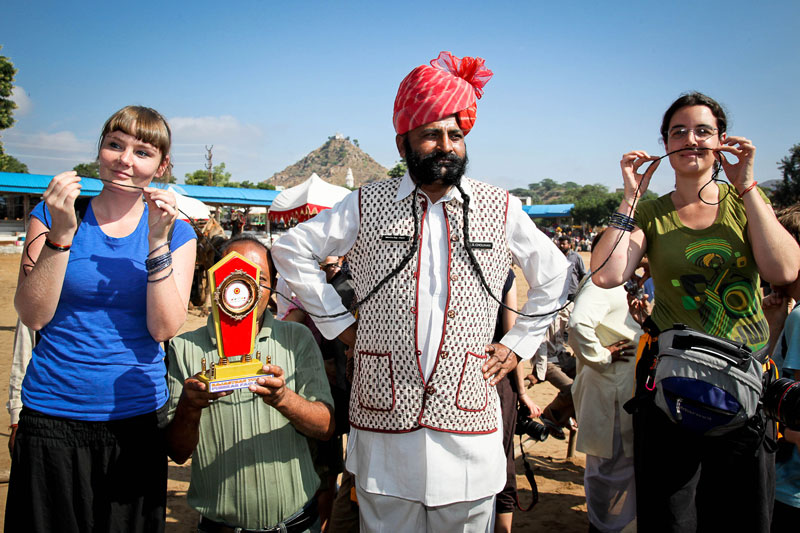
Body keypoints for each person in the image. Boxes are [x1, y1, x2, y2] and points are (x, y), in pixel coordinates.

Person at [272, 51, 569, 532]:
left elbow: (556, 276)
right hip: (384, 426)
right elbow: (290, 251)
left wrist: (517, 346)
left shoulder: (499, 206)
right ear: (403, 142)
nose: (445, 145)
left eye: (456, 135)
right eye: (431, 134)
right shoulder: (366, 203)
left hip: (468, 424)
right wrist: (338, 323)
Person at [591, 92, 800, 531]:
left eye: (703, 131)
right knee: (671, 518)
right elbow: (608, 275)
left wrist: (747, 186)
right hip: (670, 390)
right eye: (678, 131)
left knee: (742, 517)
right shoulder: (650, 212)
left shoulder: (744, 204)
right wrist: (630, 197)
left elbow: (784, 268)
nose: (690, 139)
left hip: (746, 386)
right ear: (664, 144)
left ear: (722, 142)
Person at [6, 105, 197, 532]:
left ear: (161, 166)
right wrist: (61, 233)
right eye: (116, 145)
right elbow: (33, 314)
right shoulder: (51, 215)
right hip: (50, 416)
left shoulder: (178, 233)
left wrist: (156, 241)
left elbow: (164, 328)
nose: (126, 160)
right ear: (100, 152)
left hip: (134, 423)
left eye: (143, 152)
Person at [166, 235, 335, 532]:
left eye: (259, 279)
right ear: (219, 280)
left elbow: (325, 427)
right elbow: (178, 453)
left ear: (271, 289)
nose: (248, 288)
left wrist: (283, 398)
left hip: (296, 524)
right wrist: (190, 407)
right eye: (237, 276)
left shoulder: (296, 340)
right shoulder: (183, 348)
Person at [569, 231, 641, 533]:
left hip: (614, 389)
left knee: (616, 467)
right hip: (609, 391)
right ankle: (605, 526)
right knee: (609, 468)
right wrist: (602, 356)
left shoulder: (613, 283)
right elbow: (577, 324)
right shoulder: (601, 284)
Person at [762, 205, 800, 529]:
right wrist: (776, 326)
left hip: (791, 488)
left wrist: (779, 432)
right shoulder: (794, 315)